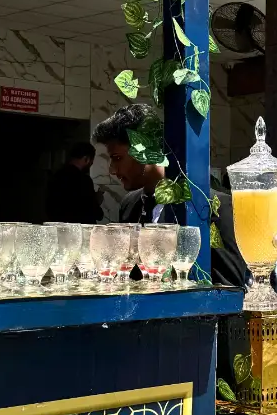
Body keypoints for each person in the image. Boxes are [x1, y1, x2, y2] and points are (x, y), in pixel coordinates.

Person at [91, 104, 249, 288]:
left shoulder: (214, 206)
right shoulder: (129, 205)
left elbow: (230, 290)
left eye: (117, 158)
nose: (111, 170)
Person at [45, 141, 103, 223]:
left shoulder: (56, 176)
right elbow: (95, 213)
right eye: (91, 162)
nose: (91, 165)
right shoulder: (83, 180)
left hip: (59, 227)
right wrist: (97, 199)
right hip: (79, 229)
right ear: (86, 159)